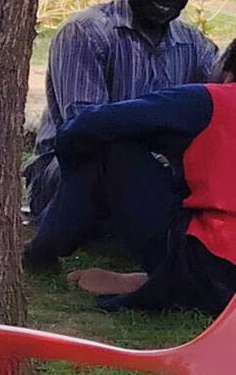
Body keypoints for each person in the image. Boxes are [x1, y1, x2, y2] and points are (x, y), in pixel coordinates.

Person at [24, 0, 217, 264]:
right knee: (108, 151)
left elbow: (217, 110)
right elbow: (82, 129)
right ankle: (44, 249)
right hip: (69, 171)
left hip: (150, 173)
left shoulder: (194, 44)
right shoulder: (86, 33)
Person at [48, 53, 236, 314]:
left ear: (227, 68)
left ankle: (47, 247)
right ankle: (161, 280)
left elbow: (90, 124)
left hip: (210, 266)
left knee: (109, 146)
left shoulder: (210, 100)